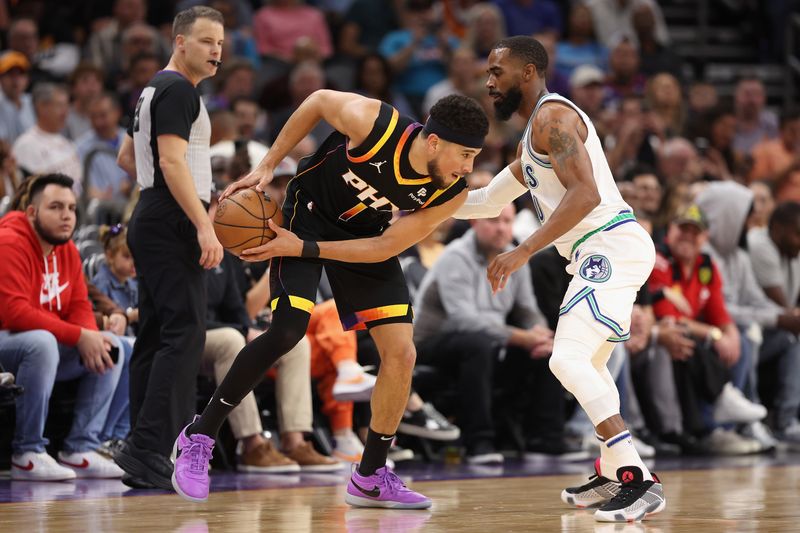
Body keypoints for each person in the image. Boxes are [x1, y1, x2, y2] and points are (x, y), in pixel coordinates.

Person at [170, 89, 488, 508]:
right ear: (433, 142)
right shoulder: (377, 125)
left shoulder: (450, 191)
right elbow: (318, 101)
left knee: (401, 353)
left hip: (363, 240)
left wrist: (304, 250)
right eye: (464, 155)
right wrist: (267, 167)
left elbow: (384, 247)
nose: (468, 167)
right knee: (287, 331)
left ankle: (371, 475)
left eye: (474, 157)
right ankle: (199, 435)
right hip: (306, 214)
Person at [451, 36, 664, 522]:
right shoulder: (532, 139)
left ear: (528, 72)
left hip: (608, 243)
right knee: (587, 364)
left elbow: (585, 194)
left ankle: (636, 478)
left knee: (565, 359)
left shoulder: (554, 118)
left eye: (497, 72)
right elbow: (484, 202)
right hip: (600, 250)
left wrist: (522, 250)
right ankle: (615, 470)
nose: (489, 82)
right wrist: (419, 203)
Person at [112, 6, 225, 490]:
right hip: (173, 217)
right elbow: (170, 160)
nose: (216, 50)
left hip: (154, 212)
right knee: (184, 334)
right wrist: (202, 223)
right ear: (179, 42)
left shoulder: (153, 89)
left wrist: (161, 197)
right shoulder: (179, 88)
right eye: (205, 41)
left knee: (158, 334)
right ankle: (150, 446)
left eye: (220, 42)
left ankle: (143, 449)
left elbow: (125, 156)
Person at [0, 173, 124, 480]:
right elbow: (14, 313)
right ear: (32, 212)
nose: (66, 215)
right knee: (41, 342)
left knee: (113, 345)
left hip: (44, 345)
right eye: (55, 207)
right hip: (8, 343)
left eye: (70, 208)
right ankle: (27, 452)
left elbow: (79, 304)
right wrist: (79, 335)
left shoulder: (66, 248)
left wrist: (90, 336)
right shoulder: (8, 242)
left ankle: (82, 447)